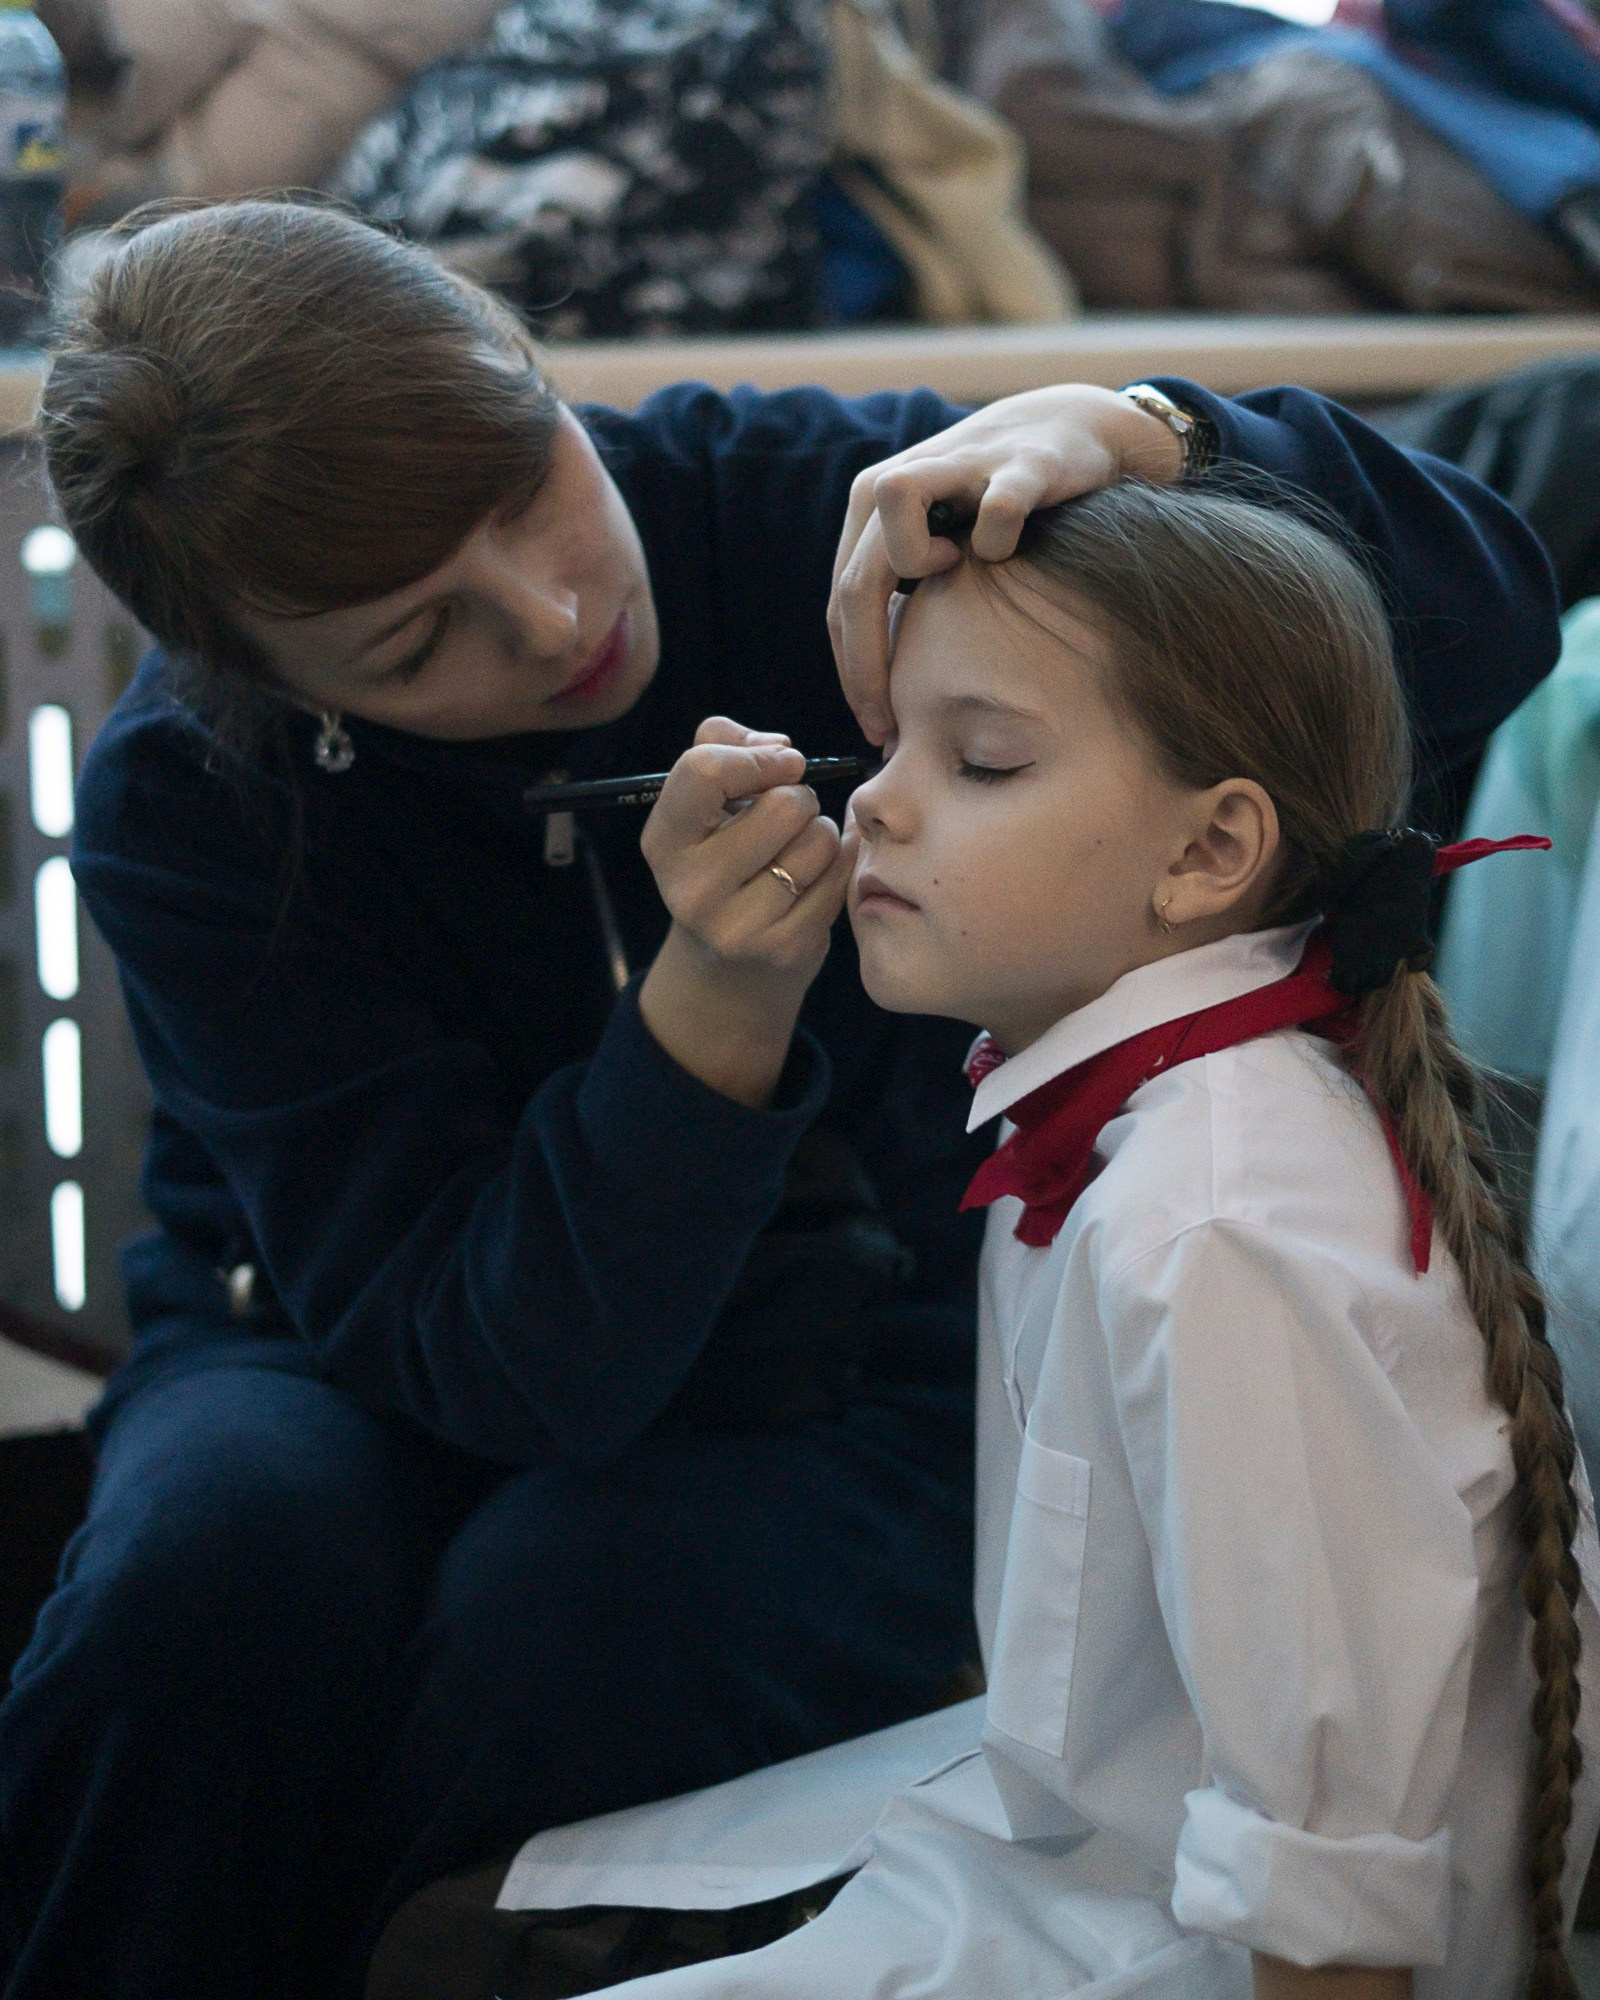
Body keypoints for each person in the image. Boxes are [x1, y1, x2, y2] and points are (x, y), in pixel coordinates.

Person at [0, 197, 1564, 2000]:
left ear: (526, 355)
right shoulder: (195, 805)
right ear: (267, 682)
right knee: (194, 1600)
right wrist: (708, 1022)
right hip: (353, 1332)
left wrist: (1148, 432)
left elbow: (1482, 615)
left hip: (895, 1313)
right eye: (414, 645)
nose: (557, 614)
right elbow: (485, 1360)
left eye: (529, 486)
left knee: (579, 1624)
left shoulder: (842, 507)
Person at [507, 481, 1600, 2000]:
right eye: (888, 748)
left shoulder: (1213, 1223)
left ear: (1211, 851)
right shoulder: (1132, 1133)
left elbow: (1330, 1897)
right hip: (1091, 1876)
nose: (874, 802)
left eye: (982, 759)